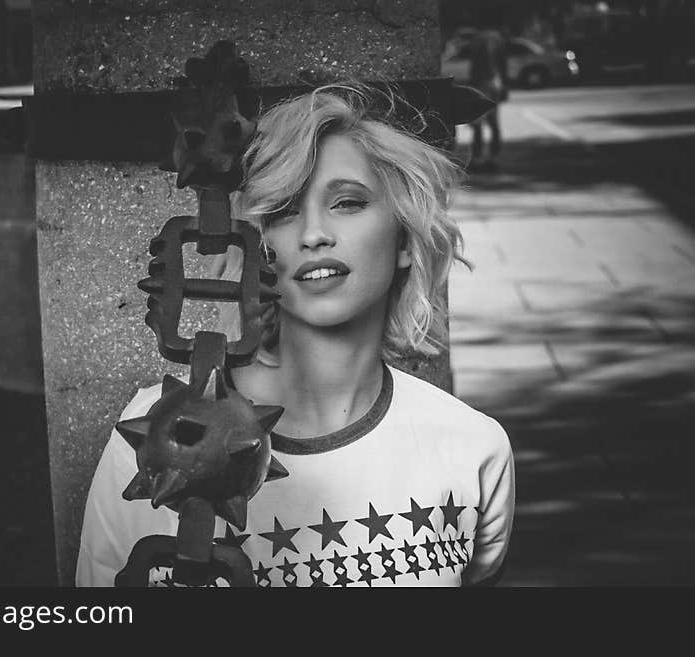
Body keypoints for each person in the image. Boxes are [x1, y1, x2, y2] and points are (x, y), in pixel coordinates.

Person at [77, 85, 515, 587]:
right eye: (283, 210)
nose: (313, 234)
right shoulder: (154, 435)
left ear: (404, 238)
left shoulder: (470, 446)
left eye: (348, 203)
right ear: (255, 242)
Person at [468, 29, 509, 172]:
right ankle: (493, 158)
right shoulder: (498, 38)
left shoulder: (478, 39)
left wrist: (472, 85)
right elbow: (503, 64)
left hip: (481, 83)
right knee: (494, 121)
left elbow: (474, 67)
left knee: (478, 121)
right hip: (495, 83)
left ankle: (477, 158)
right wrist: (504, 86)